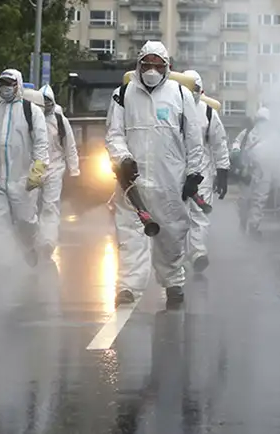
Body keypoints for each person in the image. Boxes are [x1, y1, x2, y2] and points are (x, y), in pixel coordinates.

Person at [106, 41, 205, 307]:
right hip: (132, 182)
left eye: (158, 65)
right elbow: (114, 134)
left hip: (170, 181)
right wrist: (123, 159)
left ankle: (173, 281)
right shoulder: (123, 95)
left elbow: (194, 139)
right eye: (147, 64)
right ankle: (128, 286)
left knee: (172, 234)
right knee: (130, 235)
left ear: (167, 67)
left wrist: (194, 173)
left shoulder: (180, 95)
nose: (151, 70)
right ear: (138, 65)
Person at [0, 68, 50, 273]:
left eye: (9, 84)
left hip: (22, 179)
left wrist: (38, 167)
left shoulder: (31, 111)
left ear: (18, 85)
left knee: (25, 222)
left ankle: (28, 246)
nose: (5, 89)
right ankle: (5, 264)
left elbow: (41, 142)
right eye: (1, 84)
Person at [181, 70, 229, 273]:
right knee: (177, 214)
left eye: (195, 89)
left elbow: (219, 143)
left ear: (202, 91)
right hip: (174, 170)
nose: (192, 92)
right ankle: (179, 257)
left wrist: (222, 170)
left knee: (199, 214)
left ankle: (198, 252)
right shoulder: (171, 108)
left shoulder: (208, 113)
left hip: (202, 172)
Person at [34, 85, 79, 257]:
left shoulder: (60, 121)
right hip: (34, 169)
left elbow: (70, 146)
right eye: (42, 102)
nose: (45, 105)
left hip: (54, 169)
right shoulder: (31, 118)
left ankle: (48, 241)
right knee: (30, 207)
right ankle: (33, 239)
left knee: (50, 206)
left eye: (48, 102)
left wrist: (74, 170)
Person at [231, 107, 272, 237]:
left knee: (259, 200)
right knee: (244, 199)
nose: (261, 123)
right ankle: (243, 222)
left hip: (264, 171)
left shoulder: (272, 136)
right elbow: (237, 142)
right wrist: (236, 151)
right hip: (247, 169)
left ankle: (254, 225)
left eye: (264, 120)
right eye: (260, 120)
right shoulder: (247, 132)